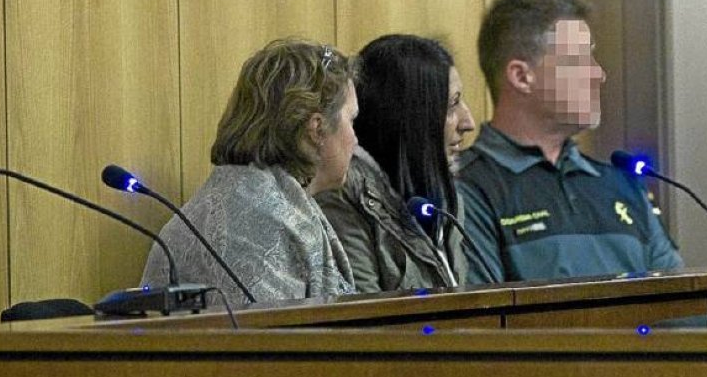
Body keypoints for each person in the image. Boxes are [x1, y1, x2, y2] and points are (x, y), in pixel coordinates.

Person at [457, 0, 683, 283]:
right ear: (522, 77)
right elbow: (485, 317)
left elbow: (679, 299)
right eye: (579, 60)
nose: (597, 74)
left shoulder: (623, 184)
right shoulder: (466, 187)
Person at [139, 38, 357, 306]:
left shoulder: (261, 197)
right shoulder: (260, 225)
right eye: (352, 120)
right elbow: (278, 342)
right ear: (317, 129)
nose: (356, 140)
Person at [315, 35, 476, 292]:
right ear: (410, 120)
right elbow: (367, 321)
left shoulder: (444, 197)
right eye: (452, 105)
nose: (468, 122)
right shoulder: (342, 199)